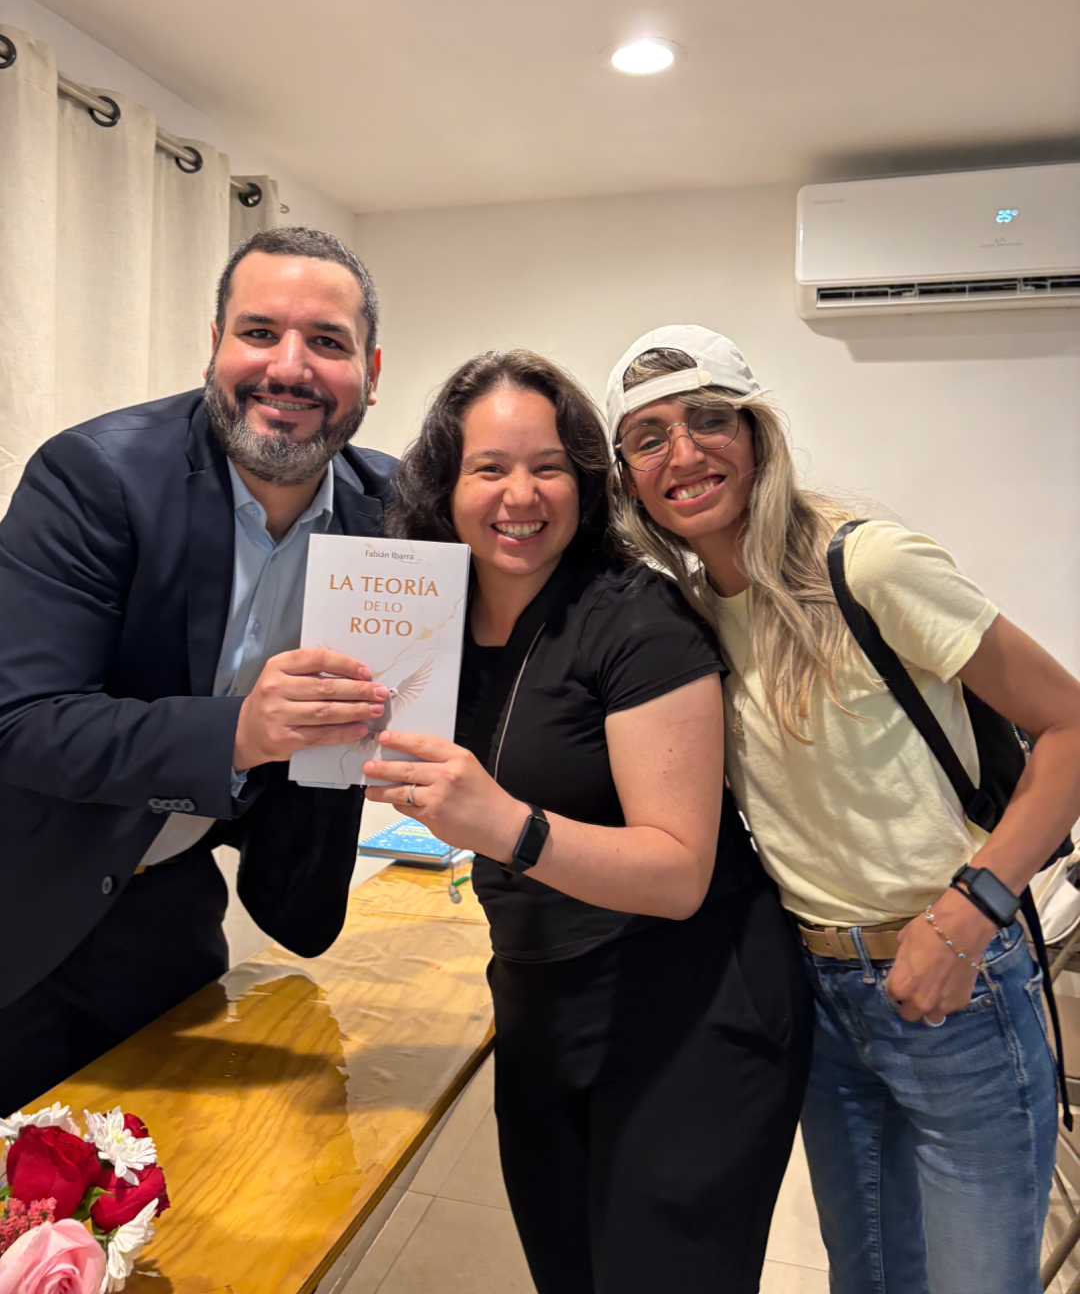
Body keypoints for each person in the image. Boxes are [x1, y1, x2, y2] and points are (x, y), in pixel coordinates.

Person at [606, 323, 1080, 1294]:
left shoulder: (866, 566)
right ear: (626, 477)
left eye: (708, 420)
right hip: (820, 999)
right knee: (865, 1278)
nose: (683, 454)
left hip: (958, 984)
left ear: (757, 435)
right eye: (649, 438)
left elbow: (1070, 728)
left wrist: (967, 917)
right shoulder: (686, 618)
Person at [362, 349, 812, 1294]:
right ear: (445, 486)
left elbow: (678, 873)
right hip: (540, 999)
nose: (520, 495)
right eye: (489, 468)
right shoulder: (428, 620)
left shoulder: (636, 619)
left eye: (549, 467)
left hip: (689, 1006)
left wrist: (505, 826)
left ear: (586, 482)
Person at [0, 226, 396, 1116]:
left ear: (370, 371)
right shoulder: (93, 476)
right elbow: (19, 719)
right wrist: (241, 732)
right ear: (215, 344)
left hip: (172, 906)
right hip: (21, 896)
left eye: (326, 341)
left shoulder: (393, 510)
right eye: (259, 332)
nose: (289, 367)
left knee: (183, 1169)